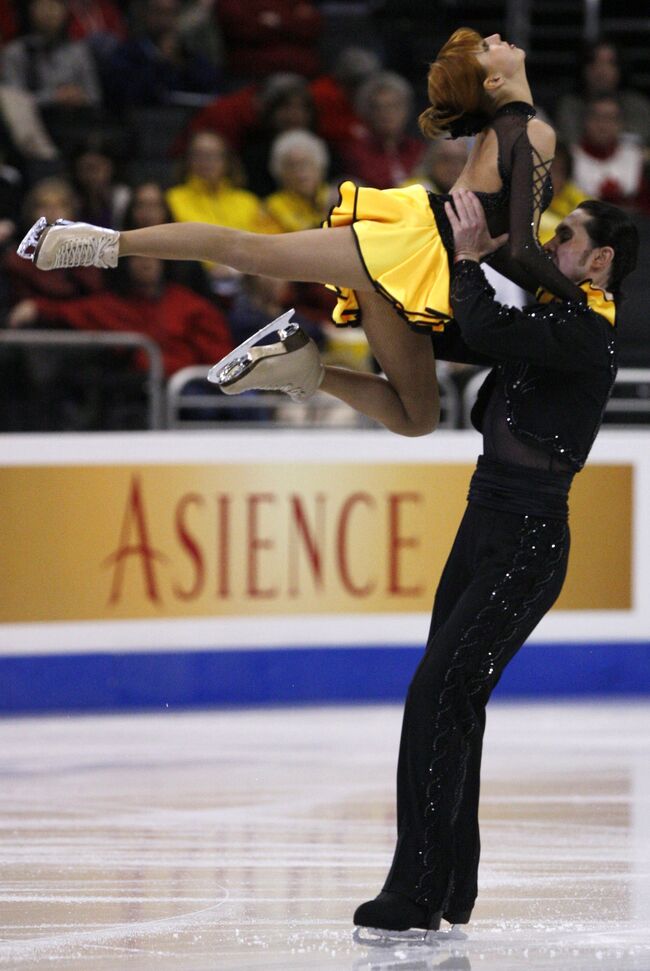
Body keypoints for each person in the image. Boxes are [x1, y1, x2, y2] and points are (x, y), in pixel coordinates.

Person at [18, 29, 588, 438]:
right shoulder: (531, 130)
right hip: (416, 245)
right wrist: (578, 304)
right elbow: (521, 247)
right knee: (252, 250)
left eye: (488, 40)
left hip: (424, 258)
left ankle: (302, 369)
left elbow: (512, 243)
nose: (497, 37)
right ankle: (100, 242)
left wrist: (514, 270)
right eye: (488, 45)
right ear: (493, 78)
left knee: (417, 419)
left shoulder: (516, 128)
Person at [352, 192, 639, 939]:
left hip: (528, 541)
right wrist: (378, 295)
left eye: (565, 237)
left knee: (437, 694)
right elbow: (459, 333)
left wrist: (474, 254)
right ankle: (448, 884)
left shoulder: (587, 330)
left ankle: (414, 890)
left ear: (600, 259)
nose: (549, 246)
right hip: (484, 524)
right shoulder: (551, 322)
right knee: (454, 700)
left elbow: (481, 322)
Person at [555, 38, 650, 148]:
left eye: (610, 63)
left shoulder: (637, 105)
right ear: (584, 68)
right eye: (594, 62)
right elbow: (568, 146)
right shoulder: (570, 106)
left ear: (620, 68)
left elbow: (642, 144)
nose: (602, 71)